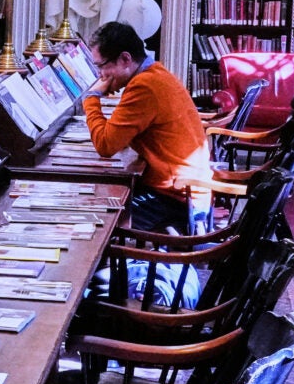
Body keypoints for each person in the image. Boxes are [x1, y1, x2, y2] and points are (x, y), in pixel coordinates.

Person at [79, 20, 210, 233]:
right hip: (186, 189)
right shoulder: (155, 73)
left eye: (102, 66)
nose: (101, 75)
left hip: (176, 199)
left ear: (125, 59)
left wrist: (91, 99)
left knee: (97, 214)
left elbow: (105, 145)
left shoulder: (144, 86)